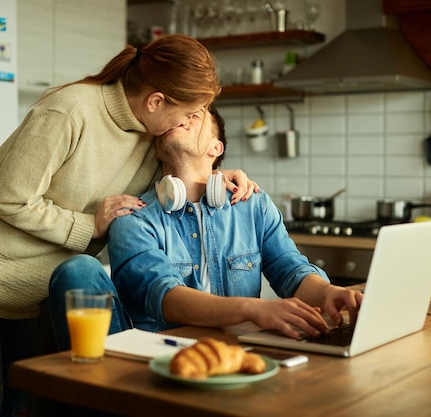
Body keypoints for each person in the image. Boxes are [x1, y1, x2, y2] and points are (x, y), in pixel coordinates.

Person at [0, 34, 257, 417]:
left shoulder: (153, 136)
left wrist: (218, 174)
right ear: (156, 101)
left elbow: (176, 176)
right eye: (188, 113)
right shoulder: (70, 111)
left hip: (30, 282)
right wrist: (89, 226)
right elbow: (10, 198)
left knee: (19, 403)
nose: (187, 123)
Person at [50, 106, 362, 346]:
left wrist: (327, 293)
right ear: (156, 148)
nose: (180, 118)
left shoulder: (253, 204)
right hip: (161, 354)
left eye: (195, 115)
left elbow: (290, 270)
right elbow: (165, 297)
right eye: (173, 116)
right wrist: (253, 309)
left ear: (216, 148)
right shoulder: (133, 216)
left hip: (239, 348)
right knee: (77, 268)